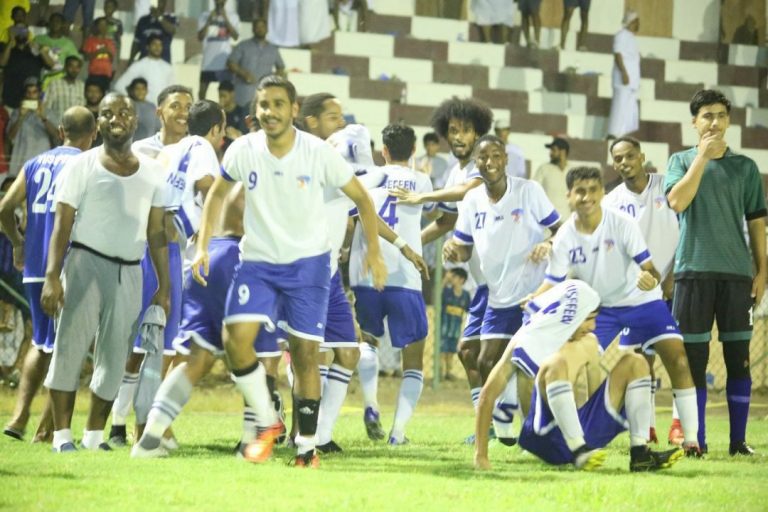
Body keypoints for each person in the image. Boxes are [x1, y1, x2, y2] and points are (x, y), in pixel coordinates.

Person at [190, 75, 386, 467]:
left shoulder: (317, 152)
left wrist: (375, 252)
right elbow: (217, 194)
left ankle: (306, 449)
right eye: (264, 104)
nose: (270, 112)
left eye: (278, 104)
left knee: (305, 355)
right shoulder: (243, 149)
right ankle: (267, 418)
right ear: (256, 109)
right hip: (259, 262)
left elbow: (362, 199)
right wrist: (202, 245)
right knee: (234, 340)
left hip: (309, 266)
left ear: (294, 109)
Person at [533, 166, 701, 456]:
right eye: (580, 191)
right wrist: (532, 301)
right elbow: (552, 282)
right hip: (601, 309)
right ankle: (557, 436)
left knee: (678, 359)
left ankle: (692, 441)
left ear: (602, 192)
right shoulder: (565, 236)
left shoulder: (622, 223)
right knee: (566, 361)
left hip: (642, 302)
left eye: (593, 190)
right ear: (569, 196)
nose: (587, 197)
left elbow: (650, 269)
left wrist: (650, 278)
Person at [40, 93, 170, 453]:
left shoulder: (153, 171)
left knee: (115, 357)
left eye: (124, 113)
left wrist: (164, 286)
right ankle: (61, 436)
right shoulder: (81, 165)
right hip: (85, 262)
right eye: (108, 113)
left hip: (130, 270)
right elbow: (61, 226)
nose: (116, 118)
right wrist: (52, 276)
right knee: (69, 348)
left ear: (135, 121)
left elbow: (157, 232)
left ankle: (94, 436)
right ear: (98, 125)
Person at [299, 93, 427, 452]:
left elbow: (365, 210)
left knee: (351, 350)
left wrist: (386, 247)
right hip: (303, 272)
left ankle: (321, 435)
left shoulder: (337, 174)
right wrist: (404, 248)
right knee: (304, 356)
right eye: (333, 117)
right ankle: (286, 429)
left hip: (340, 275)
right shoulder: (309, 169)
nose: (340, 122)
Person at [474, 280, 684, 472]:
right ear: (571, 317)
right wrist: (480, 455)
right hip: (546, 438)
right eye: (588, 319)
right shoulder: (526, 341)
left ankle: (640, 454)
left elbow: (594, 392)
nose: (593, 326)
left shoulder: (588, 342)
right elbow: (486, 396)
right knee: (555, 363)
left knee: (635, 362)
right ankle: (578, 450)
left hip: (580, 430)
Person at [664, 89, 766, 456]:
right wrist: (702, 158)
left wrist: (762, 272)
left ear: (729, 121)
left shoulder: (745, 168)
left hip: (737, 276)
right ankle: (697, 441)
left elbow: (757, 224)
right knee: (694, 361)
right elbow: (677, 201)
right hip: (692, 272)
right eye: (707, 115)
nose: (715, 122)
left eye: (721, 115)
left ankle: (738, 443)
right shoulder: (680, 161)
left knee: (739, 359)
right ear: (694, 122)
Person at [443, 134, 560, 442]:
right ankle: (505, 430)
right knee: (484, 362)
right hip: (498, 295)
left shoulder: (529, 191)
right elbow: (464, 249)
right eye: (483, 157)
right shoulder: (472, 200)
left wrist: (548, 244)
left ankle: (537, 429)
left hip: (532, 295)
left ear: (506, 159)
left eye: (496, 156)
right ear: (475, 162)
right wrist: (453, 250)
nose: (490, 163)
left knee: (531, 365)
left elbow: (561, 230)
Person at [124, 100, 226, 453]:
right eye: (222, 130)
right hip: (171, 247)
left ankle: (142, 426)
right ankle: (151, 429)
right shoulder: (203, 148)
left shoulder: (170, 149)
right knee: (168, 349)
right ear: (215, 129)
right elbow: (209, 188)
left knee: (152, 345)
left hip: (149, 244)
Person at [390, 97, 493, 442]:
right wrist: (408, 245)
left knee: (495, 357)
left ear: (478, 133)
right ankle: (491, 426)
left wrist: (423, 197)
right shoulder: (454, 170)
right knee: (469, 353)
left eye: (466, 130)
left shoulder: (484, 163)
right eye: (453, 130)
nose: (459, 136)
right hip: (484, 283)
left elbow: (468, 192)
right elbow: (447, 221)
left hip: (506, 282)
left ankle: (508, 425)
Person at [1, 106, 95, 443]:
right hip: (69, 265)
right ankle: (47, 430)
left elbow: (4, 208)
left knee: (41, 343)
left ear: (61, 131)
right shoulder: (88, 164)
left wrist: (18, 243)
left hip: (35, 268)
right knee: (70, 348)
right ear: (93, 134)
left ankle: (18, 418)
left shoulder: (34, 163)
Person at [109, 85, 193, 443]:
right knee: (134, 346)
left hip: (177, 256)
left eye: (188, 106)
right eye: (176, 105)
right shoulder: (141, 150)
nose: (183, 112)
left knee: (167, 348)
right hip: (141, 252)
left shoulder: (196, 152)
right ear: (159, 112)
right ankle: (118, 422)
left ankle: (148, 424)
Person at [349, 123, 430, 445]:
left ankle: (371, 405)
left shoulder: (366, 178)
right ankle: (397, 433)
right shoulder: (422, 180)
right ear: (413, 150)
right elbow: (441, 213)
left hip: (365, 269)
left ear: (383, 151)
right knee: (414, 357)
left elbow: (355, 216)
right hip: (405, 275)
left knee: (367, 341)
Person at [603, 136, 680, 443]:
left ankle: (679, 426)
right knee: (640, 360)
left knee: (680, 357)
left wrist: (672, 275)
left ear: (641, 156)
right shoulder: (611, 202)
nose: (625, 162)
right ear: (614, 164)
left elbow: (688, 229)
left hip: (675, 285)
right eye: (618, 158)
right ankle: (646, 427)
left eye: (630, 155)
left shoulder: (667, 187)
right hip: (637, 295)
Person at [227, 18, 285, 110]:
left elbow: (281, 67)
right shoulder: (243, 45)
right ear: (253, 29)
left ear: (267, 29)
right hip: (244, 94)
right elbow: (231, 63)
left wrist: (273, 80)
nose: (260, 29)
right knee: (244, 118)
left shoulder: (273, 49)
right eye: (257, 27)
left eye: (262, 27)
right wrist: (243, 73)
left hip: (265, 96)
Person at [7, 78, 60, 177]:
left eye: (34, 92)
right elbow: (10, 137)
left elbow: (57, 136)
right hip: (20, 164)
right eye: (28, 93)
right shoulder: (17, 112)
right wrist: (20, 117)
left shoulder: (48, 112)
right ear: (24, 94)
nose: (31, 96)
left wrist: (43, 118)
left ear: (39, 93)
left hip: (42, 164)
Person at [0, 23, 54, 109]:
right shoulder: (9, 50)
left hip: (31, 101)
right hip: (10, 101)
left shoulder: (36, 51)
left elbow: (51, 64)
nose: (20, 32)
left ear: (28, 32)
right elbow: (2, 63)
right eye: (17, 30)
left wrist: (39, 49)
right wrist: (10, 41)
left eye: (23, 30)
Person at [114, 35, 176, 108]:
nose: (157, 47)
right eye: (154, 44)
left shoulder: (167, 67)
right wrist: (133, 101)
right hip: (143, 108)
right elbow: (119, 86)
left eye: (160, 45)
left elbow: (172, 91)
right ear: (147, 47)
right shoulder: (139, 65)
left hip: (162, 109)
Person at [607, 11, 640, 139]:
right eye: (636, 22)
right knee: (619, 107)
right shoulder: (621, 35)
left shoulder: (631, 37)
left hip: (632, 82)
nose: (638, 24)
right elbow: (618, 55)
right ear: (630, 23)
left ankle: (621, 135)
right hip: (623, 79)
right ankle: (613, 134)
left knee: (628, 110)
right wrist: (624, 73)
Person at [197, 0, 240, 101]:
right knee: (202, 93)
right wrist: (209, 20)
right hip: (208, 62)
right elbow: (200, 37)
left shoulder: (233, 16)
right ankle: (203, 110)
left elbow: (235, 36)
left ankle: (223, 111)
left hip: (224, 62)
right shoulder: (204, 15)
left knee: (225, 92)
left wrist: (225, 18)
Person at [34, 13, 80, 90]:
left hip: (60, 79)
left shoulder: (68, 43)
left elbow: (75, 61)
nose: (55, 23)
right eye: (53, 21)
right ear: (49, 23)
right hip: (41, 77)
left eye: (58, 21)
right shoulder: (38, 39)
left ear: (62, 25)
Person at [440, 268, 471, 380]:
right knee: (442, 349)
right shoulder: (447, 291)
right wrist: (444, 280)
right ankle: (440, 372)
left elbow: (469, 309)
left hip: (455, 328)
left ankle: (448, 372)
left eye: (454, 277)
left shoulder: (465, 295)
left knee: (451, 350)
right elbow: (437, 295)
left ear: (461, 280)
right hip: (444, 326)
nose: (451, 279)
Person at [532, 137, 571, 219]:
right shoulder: (544, 169)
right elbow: (533, 192)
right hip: (548, 219)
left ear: (562, 152)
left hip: (566, 219)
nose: (550, 153)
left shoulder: (572, 171)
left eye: (553, 150)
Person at [128, 0, 177, 64]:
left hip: (163, 62)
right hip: (144, 61)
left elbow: (173, 30)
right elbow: (136, 42)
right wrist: (131, 59)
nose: (158, 3)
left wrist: (159, 17)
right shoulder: (143, 20)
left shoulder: (170, 18)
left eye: (161, 1)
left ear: (165, 3)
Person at [43, 55, 85, 123]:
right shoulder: (54, 85)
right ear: (65, 67)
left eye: (77, 67)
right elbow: (47, 108)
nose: (74, 70)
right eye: (71, 66)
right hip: (57, 125)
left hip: (77, 126)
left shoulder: (82, 86)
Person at [82, 17, 116, 90]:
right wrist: (98, 52)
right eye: (101, 25)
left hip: (106, 74)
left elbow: (112, 59)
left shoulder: (110, 42)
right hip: (94, 73)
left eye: (105, 25)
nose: (103, 27)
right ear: (96, 27)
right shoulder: (90, 40)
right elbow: (86, 57)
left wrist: (108, 51)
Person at [218, 80, 249, 152]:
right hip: (222, 151)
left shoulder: (242, 112)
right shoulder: (219, 113)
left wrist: (237, 134)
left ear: (232, 94)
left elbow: (246, 134)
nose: (221, 99)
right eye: (220, 96)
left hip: (239, 150)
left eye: (224, 96)